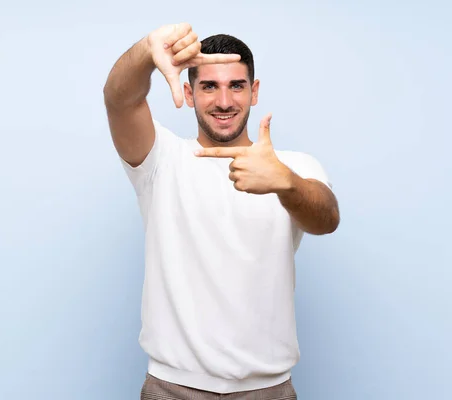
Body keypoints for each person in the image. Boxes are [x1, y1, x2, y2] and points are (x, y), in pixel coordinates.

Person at [103, 22, 340, 400]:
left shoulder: (292, 166)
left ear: (254, 91)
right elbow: (119, 99)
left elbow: (327, 219)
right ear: (188, 93)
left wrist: (286, 182)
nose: (225, 101)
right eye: (209, 86)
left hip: (268, 390)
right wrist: (147, 52)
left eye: (236, 85)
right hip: (172, 388)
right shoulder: (161, 158)